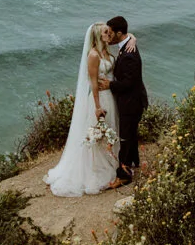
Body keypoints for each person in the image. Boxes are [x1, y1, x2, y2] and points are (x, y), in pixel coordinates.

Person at [44, 23, 121, 197]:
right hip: (100, 98)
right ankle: (94, 168)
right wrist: (97, 106)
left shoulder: (106, 52)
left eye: (109, 32)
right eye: (106, 32)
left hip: (111, 96)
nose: (109, 34)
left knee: (110, 128)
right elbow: (93, 82)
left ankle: (111, 161)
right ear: (97, 36)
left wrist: (131, 37)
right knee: (98, 132)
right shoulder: (93, 55)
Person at [99, 15, 147, 187]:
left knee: (125, 137)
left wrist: (110, 84)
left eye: (110, 33)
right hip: (131, 101)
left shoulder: (129, 54)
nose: (108, 36)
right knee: (130, 134)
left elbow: (128, 82)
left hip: (131, 102)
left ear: (119, 33)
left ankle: (124, 176)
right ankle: (133, 162)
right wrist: (132, 36)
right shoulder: (127, 43)